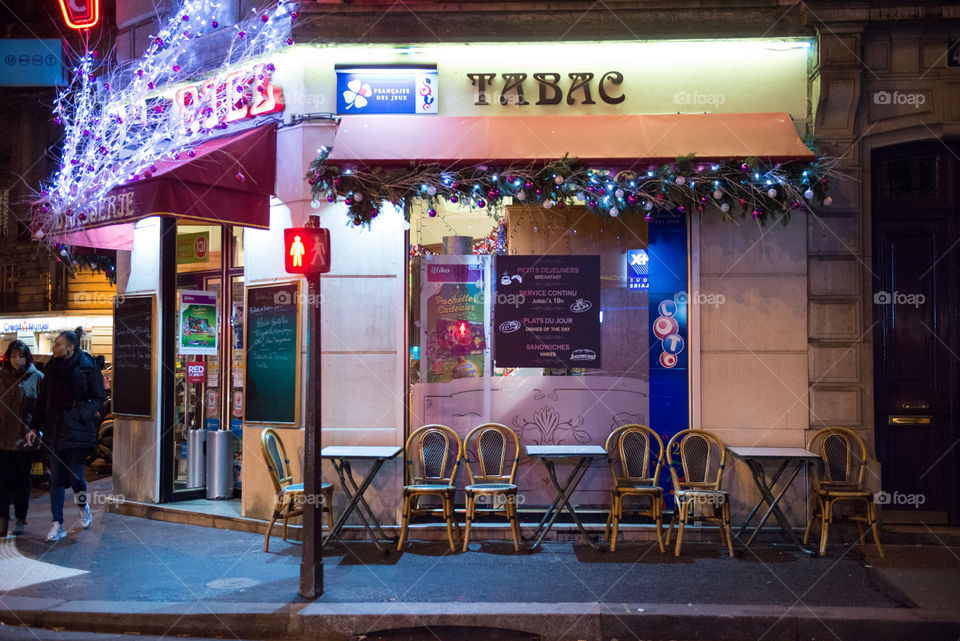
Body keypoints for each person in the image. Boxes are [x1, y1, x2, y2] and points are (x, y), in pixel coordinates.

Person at [29, 328, 105, 542]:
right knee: (56, 478)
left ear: (70, 347)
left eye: (57, 344)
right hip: (55, 428)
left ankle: (83, 506)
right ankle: (57, 523)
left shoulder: (87, 367)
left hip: (79, 430)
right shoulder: (51, 369)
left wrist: (83, 414)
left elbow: (99, 396)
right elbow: (42, 400)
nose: (54, 347)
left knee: (75, 476)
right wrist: (35, 426)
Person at [0, 341, 43, 537]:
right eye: (14, 356)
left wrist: (37, 429)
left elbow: (43, 410)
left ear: (28, 357)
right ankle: (2, 518)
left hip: (25, 441)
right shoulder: (1, 377)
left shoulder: (38, 378)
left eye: (21, 356)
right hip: (2, 439)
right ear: (8, 357)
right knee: (2, 481)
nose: (17, 360)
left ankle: (20, 517)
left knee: (22, 481)